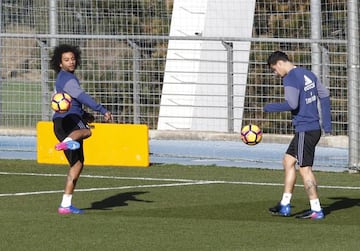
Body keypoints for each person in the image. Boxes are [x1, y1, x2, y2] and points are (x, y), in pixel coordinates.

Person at [263, 51, 332, 220]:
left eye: (274, 70)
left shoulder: (290, 78)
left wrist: (269, 107)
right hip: (312, 129)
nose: (275, 74)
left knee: (305, 169)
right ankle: (285, 205)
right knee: (288, 161)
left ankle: (316, 209)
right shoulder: (308, 73)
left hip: (305, 129)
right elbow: (324, 95)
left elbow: (292, 104)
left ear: (279, 63)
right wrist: (327, 124)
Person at [50, 44, 112, 214]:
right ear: (59, 63)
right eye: (66, 60)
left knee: (77, 164)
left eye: (72, 59)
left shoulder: (62, 79)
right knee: (88, 131)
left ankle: (65, 204)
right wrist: (101, 109)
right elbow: (81, 96)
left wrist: (84, 115)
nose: (71, 62)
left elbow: (72, 102)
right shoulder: (68, 79)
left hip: (61, 124)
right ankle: (67, 142)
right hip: (69, 122)